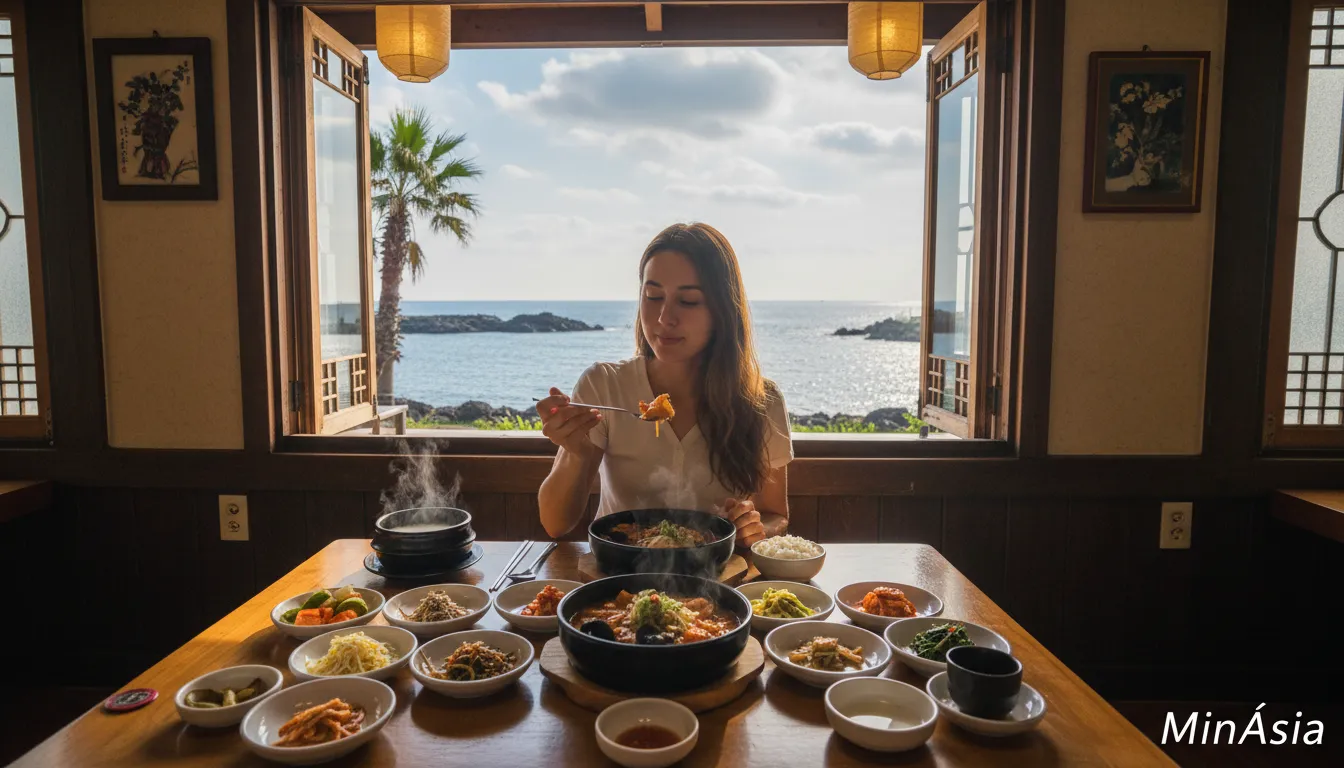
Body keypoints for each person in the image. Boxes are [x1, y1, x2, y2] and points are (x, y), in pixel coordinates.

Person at [536, 223, 793, 548]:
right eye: (653, 296)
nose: (663, 318)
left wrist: (755, 529)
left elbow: (775, 513)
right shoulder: (605, 386)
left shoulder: (761, 400)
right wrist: (577, 453)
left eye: (687, 301)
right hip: (623, 579)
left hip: (717, 580)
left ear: (723, 311)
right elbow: (555, 524)